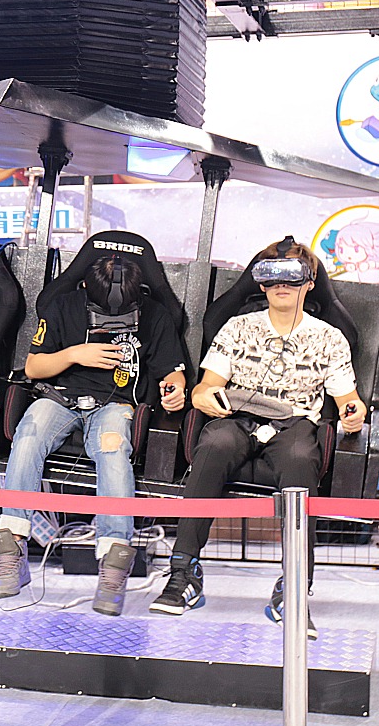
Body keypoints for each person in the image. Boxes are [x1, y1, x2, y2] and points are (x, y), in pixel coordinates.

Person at [149, 239, 367, 634]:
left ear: (309, 282)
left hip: (294, 423)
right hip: (238, 416)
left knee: (301, 459)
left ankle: (295, 587)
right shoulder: (238, 327)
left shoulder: (330, 338)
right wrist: (203, 397)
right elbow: (205, 387)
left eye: (292, 276)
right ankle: (183, 573)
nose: (282, 285)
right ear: (261, 283)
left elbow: (348, 400)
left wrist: (353, 416)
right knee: (213, 444)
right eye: (272, 276)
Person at [0, 255, 187, 615]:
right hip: (59, 398)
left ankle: (114, 562)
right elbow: (34, 367)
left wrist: (175, 390)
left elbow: (172, 372)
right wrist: (75, 354)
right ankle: (12, 548)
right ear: (85, 289)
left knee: (113, 449)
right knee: (29, 433)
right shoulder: (64, 305)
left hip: (116, 405)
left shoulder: (155, 315)